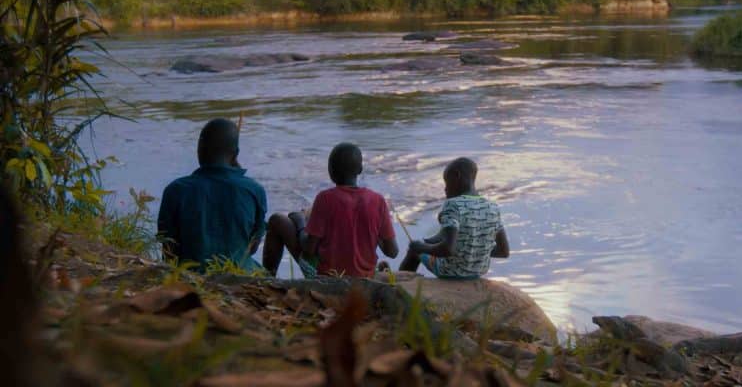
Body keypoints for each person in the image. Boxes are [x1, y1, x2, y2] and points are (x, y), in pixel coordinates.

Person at [262, 142, 398, 278]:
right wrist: (374, 233)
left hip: (327, 278)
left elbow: (309, 249)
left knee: (277, 220)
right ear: (360, 169)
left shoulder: (325, 198)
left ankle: (268, 278)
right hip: (365, 279)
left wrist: (300, 223)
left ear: (330, 171)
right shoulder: (378, 200)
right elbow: (393, 252)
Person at [157, 118, 267, 271]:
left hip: (189, 276)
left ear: (199, 149)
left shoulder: (175, 190)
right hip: (242, 275)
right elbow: (252, 247)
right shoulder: (254, 190)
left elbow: (168, 249)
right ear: (235, 154)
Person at [399, 157, 509, 279]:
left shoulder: (453, 204)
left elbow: (447, 250)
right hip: (478, 272)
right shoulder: (493, 207)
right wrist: (475, 250)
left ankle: (400, 285)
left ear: (457, 176)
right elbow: (503, 252)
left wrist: (420, 247)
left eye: (446, 183)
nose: (445, 189)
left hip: (450, 271)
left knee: (415, 250)